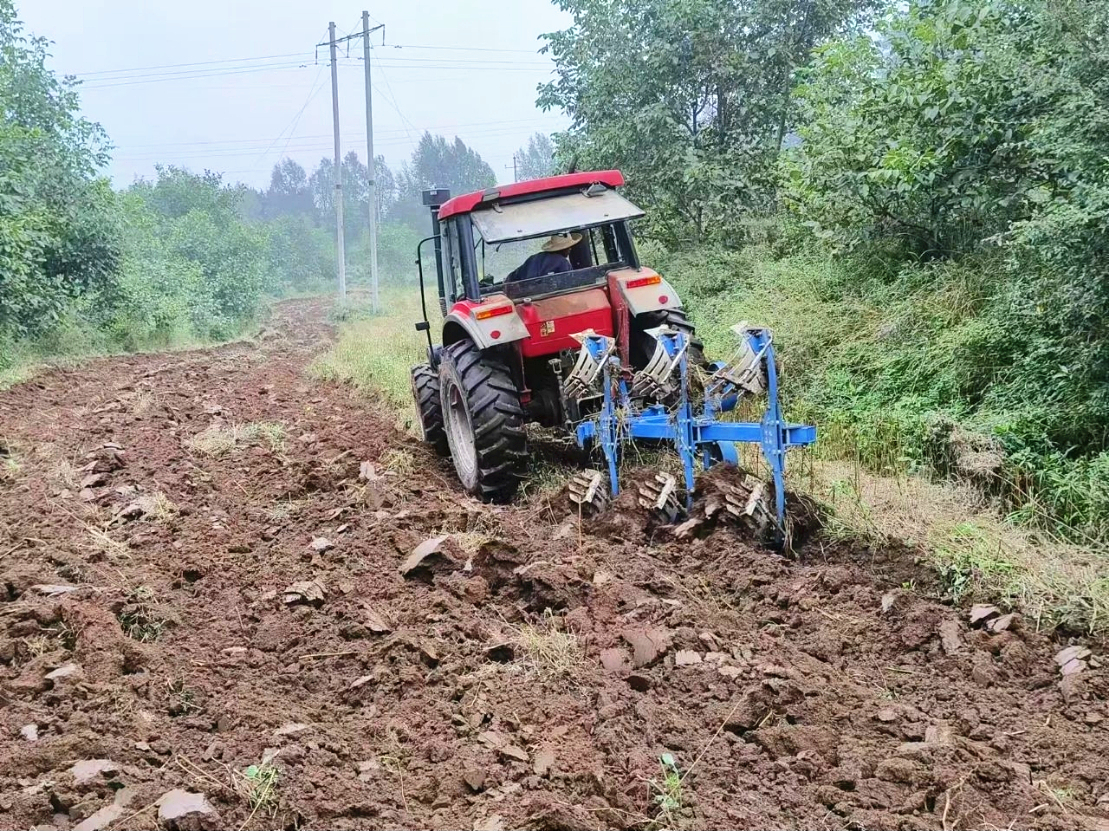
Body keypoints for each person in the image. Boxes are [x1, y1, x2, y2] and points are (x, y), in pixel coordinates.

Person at [504, 233, 580, 283]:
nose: (570, 249)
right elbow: (569, 283)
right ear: (564, 248)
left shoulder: (533, 258)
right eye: (568, 247)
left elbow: (511, 279)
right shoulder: (563, 263)